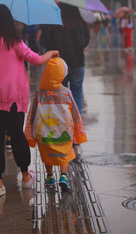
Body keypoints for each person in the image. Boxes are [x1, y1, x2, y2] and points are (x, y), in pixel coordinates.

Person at [0, 4, 59, 197]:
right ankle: (25, 176)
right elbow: (36, 60)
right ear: (8, 21)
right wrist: (51, 53)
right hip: (13, 97)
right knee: (17, 134)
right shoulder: (14, 41)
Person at [25, 57, 87, 191]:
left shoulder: (39, 94)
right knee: (65, 153)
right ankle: (63, 176)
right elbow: (75, 112)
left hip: (44, 134)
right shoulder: (66, 92)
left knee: (48, 155)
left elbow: (32, 113)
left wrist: (29, 133)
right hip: (63, 132)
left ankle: (50, 177)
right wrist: (78, 131)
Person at [45, 3, 90, 115]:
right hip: (78, 65)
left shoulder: (56, 25)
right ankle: (76, 126)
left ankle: (65, 125)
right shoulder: (82, 24)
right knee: (77, 97)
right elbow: (86, 42)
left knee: (61, 98)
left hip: (60, 68)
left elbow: (49, 46)